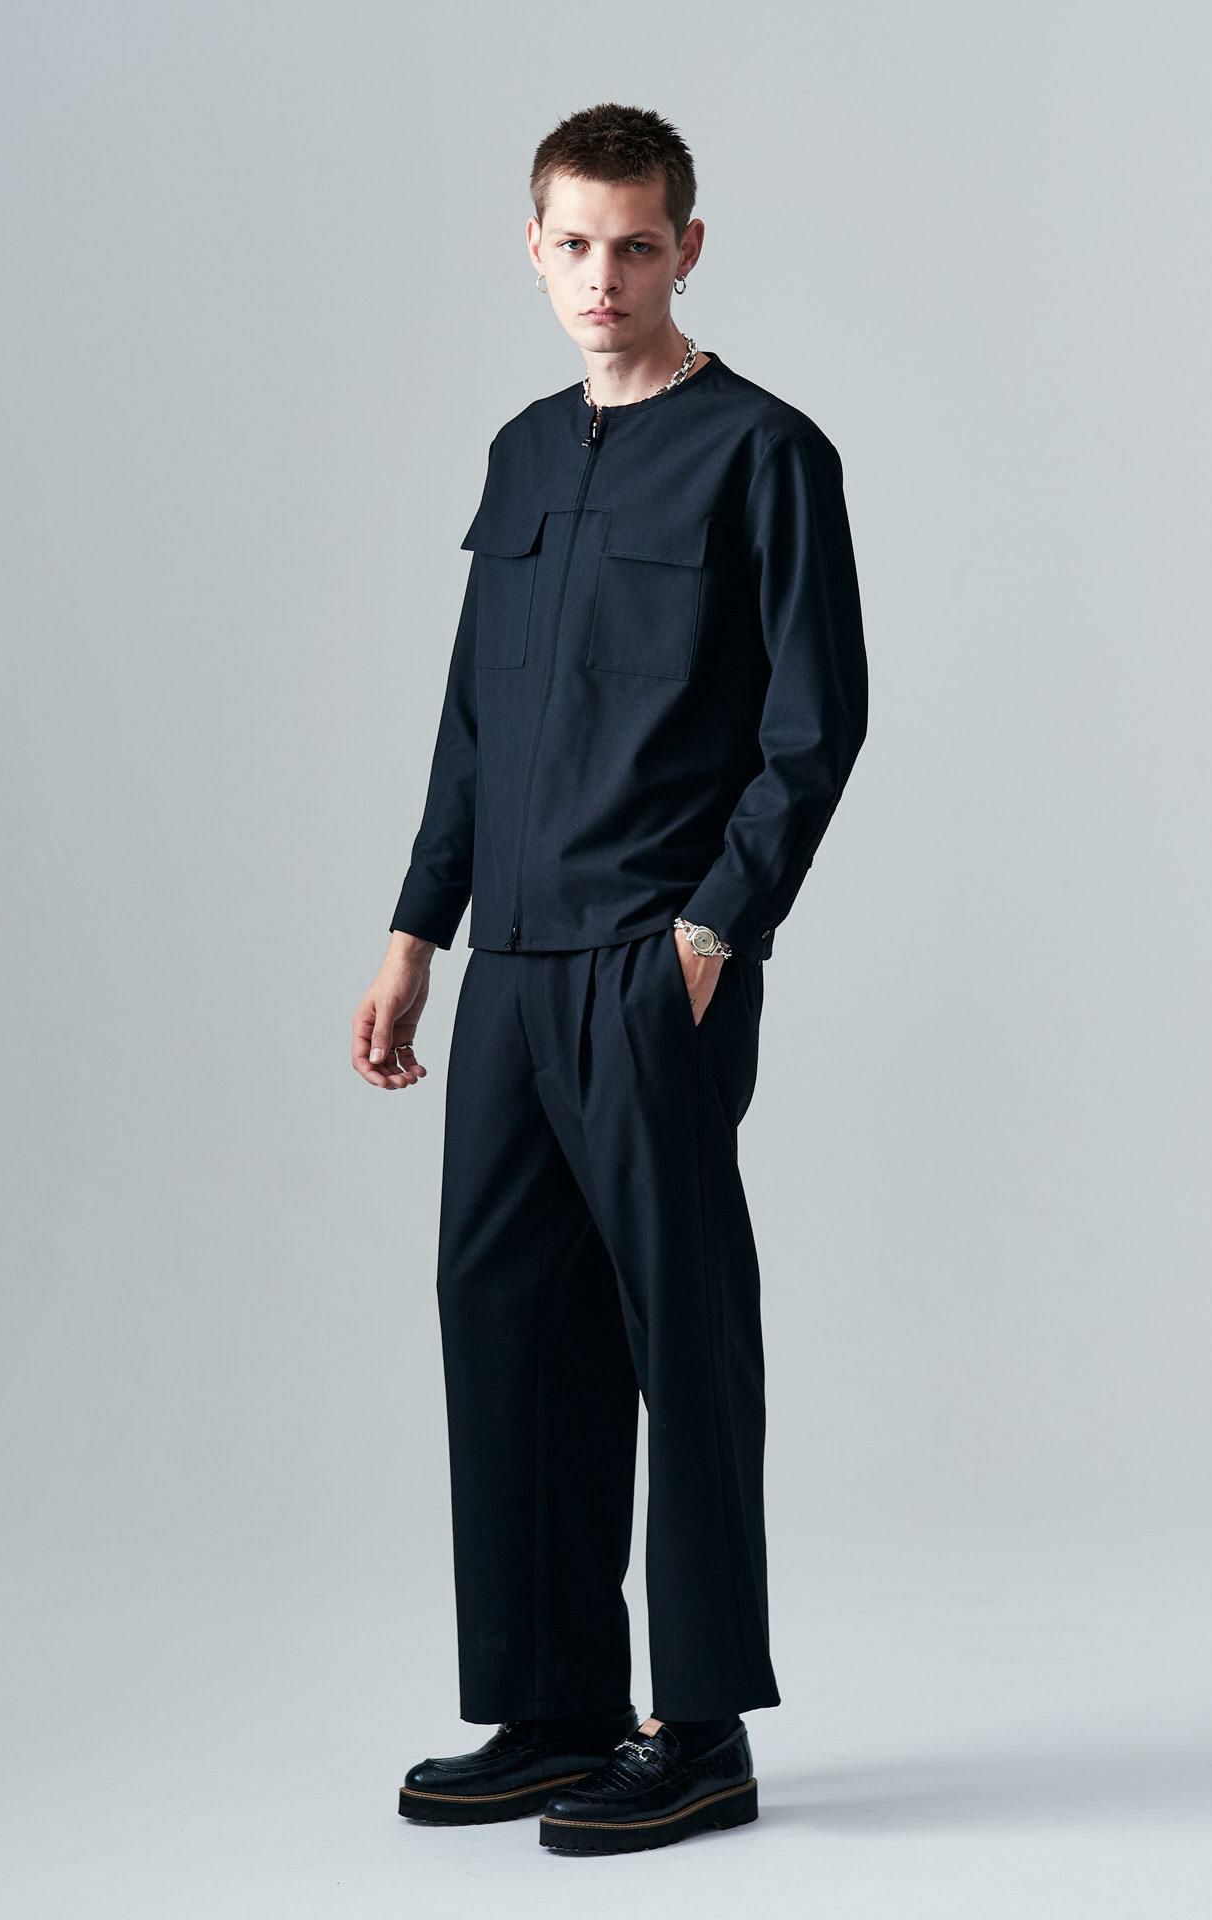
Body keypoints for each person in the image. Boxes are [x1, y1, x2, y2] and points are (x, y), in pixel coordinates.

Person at [353, 102, 869, 1856]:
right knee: (505, 1320)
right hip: (508, 965)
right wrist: (417, 930)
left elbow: (813, 728)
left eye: (636, 245)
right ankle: (555, 1704)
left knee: (679, 1330)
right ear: (533, 249)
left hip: (652, 965)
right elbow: (474, 717)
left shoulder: (765, 453)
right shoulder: (519, 453)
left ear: (687, 250)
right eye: (573, 245)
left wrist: (715, 932)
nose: (603, 276)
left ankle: (699, 1727)